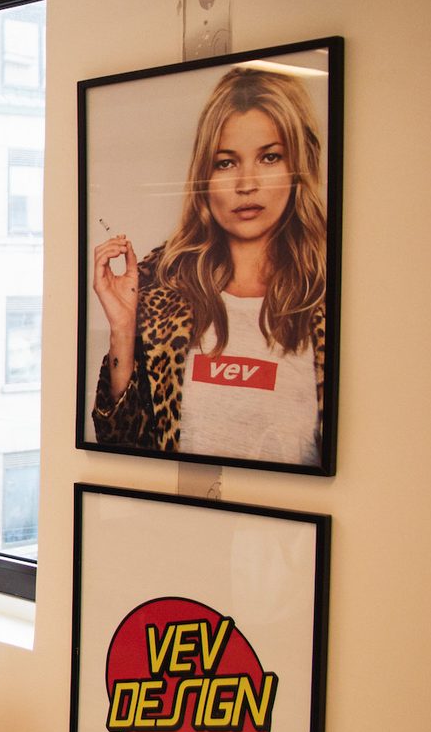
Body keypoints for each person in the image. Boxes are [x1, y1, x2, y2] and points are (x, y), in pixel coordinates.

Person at [90, 66, 328, 464]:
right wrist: (122, 329)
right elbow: (121, 448)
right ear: (204, 173)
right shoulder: (160, 283)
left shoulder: (327, 294)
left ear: (296, 168)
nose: (246, 184)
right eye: (226, 163)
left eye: (270, 157)